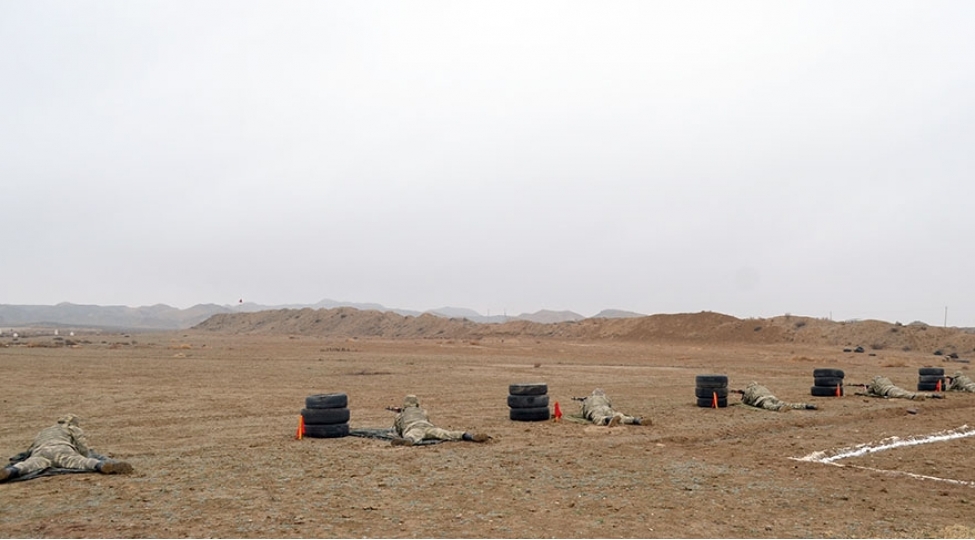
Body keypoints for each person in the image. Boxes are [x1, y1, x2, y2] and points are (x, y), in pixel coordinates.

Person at [0, 414, 133, 483]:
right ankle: (102, 466)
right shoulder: (71, 428)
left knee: (27, 465)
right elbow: (83, 448)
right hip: (62, 450)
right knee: (82, 462)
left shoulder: (45, 431)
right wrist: (88, 456)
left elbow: (30, 449)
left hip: (41, 451)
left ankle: (10, 471)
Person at [387, 395, 490, 447]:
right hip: (428, 427)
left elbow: (399, 428)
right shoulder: (423, 411)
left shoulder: (401, 414)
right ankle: (470, 436)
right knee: (448, 434)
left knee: (412, 437)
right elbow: (427, 418)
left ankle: (407, 441)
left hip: (413, 428)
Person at [575, 388, 646, 427]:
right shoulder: (605, 398)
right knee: (619, 415)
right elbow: (609, 404)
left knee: (598, 418)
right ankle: (636, 420)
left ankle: (608, 420)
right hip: (606, 407)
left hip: (595, 409)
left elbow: (584, 412)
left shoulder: (588, 399)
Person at [734, 382, 818, 411]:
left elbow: (746, 402)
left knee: (770, 406)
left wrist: (743, 395)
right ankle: (805, 406)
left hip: (762, 400)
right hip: (772, 397)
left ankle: (779, 408)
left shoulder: (749, 390)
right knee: (788, 404)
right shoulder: (762, 386)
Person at [857, 375, 943, 400]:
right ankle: (930, 395)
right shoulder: (886, 379)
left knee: (905, 395)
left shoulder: (874, 381)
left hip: (889, 391)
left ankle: (915, 397)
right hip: (893, 387)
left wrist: (864, 391)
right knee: (906, 392)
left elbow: (869, 392)